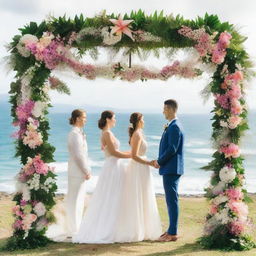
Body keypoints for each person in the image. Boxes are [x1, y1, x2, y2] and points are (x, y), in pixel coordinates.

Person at [73, 110, 130, 244]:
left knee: (112, 196)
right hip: (113, 167)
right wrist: (132, 155)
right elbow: (115, 152)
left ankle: (115, 226)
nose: (115, 120)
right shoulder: (107, 133)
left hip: (113, 165)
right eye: (114, 118)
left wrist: (130, 152)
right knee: (111, 197)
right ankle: (107, 228)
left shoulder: (107, 133)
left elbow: (113, 151)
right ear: (108, 119)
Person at [118, 112, 162, 242]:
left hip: (141, 168)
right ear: (138, 121)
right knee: (138, 196)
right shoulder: (137, 134)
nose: (144, 121)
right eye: (143, 119)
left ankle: (144, 229)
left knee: (143, 196)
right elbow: (134, 156)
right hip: (138, 167)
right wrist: (149, 163)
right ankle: (136, 230)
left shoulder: (139, 133)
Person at [152, 99, 184, 242]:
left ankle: (173, 233)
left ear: (171, 109)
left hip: (171, 169)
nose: (163, 111)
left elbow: (172, 148)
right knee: (171, 200)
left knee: (172, 200)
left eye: (164, 109)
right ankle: (171, 230)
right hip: (170, 168)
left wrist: (159, 161)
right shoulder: (172, 125)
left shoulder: (174, 127)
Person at [66, 109, 91, 237]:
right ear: (77, 119)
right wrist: (86, 170)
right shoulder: (74, 134)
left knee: (79, 200)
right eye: (84, 117)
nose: (85, 119)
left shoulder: (79, 133)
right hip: (76, 171)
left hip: (78, 171)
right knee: (75, 200)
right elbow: (78, 155)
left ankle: (76, 228)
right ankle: (73, 230)